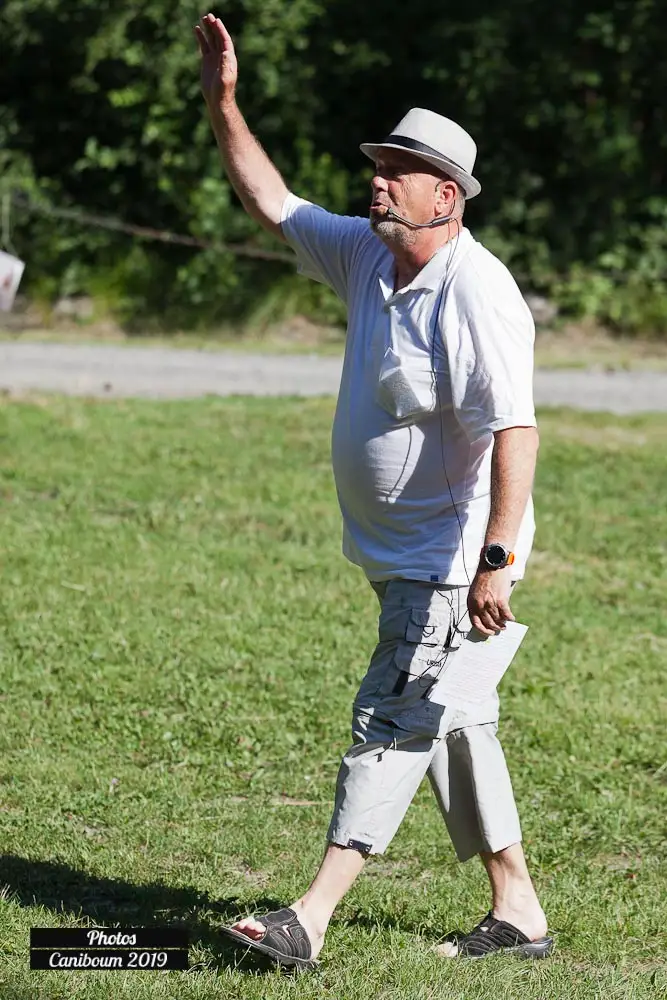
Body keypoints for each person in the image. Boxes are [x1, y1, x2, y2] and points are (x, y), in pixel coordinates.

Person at [195, 12, 553, 968]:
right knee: (456, 724)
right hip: (399, 555)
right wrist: (223, 102)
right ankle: (518, 908)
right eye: (379, 166)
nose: (378, 180)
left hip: (451, 559)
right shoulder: (365, 252)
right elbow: (272, 201)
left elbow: (514, 430)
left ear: (446, 194)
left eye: (398, 169)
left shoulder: (476, 291)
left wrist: (494, 559)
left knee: (392, 716)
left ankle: (307, 918)